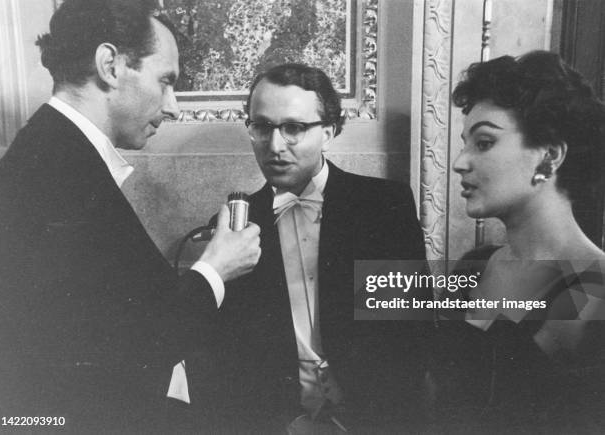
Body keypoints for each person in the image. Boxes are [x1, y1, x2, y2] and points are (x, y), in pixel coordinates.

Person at [0, 0, 260, 433]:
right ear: (109, 66)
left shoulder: (56, 154)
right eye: (166, 81)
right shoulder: (55, 173)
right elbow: (124, 348)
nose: (173, 106)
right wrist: (215, 270)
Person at [186, 63, 430, 433]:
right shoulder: (234, 226)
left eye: (294, 128)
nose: (275, 145)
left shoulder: (384, 206)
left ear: (328, 132)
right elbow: (229, 358)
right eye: (262, 127)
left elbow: (411, 334)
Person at [433, 50, 605, 432]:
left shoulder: (594, 287)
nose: (460, 162)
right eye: (465, 143)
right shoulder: (475, 264)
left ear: (549, 157)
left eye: (483, 143)